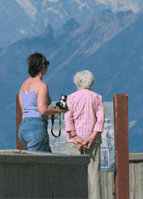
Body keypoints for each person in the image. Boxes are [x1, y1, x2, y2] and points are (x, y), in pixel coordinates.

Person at [64, 70, 104, 199]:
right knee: (94, 175)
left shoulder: (71, 97)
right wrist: (92, 137)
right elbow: (100, 120)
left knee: (74, 174)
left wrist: (75, 137)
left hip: (74, 142)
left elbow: (68, 119)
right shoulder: (97, 97)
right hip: (93, 141)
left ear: (77, 82)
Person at [18, 52, 67, 152]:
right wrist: (59, 111)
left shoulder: (24, 85)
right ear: (43, 66)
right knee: (40, 164)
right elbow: (43, 110)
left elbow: (23, 108)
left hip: (23, 127)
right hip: (36, 127)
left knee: (45, 160)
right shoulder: (41, 85)